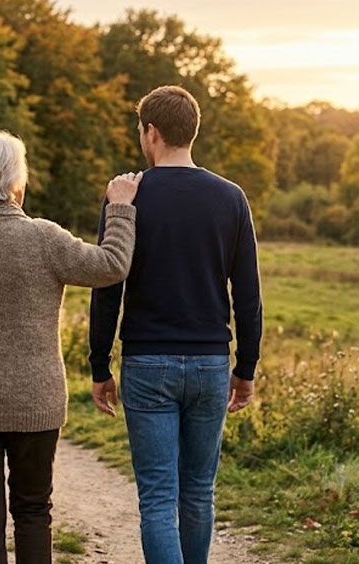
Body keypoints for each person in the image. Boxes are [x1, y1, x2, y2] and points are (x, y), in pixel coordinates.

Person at [0, 128, 143, 564]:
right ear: (15, 178)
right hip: (35, 400)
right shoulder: (44, 237)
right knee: (34, 510)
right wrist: (119, 209)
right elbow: (112, 265)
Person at [88, 85, 263, 564]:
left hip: (147, 363)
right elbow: (248, 294)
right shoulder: (231, 197)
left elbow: (108, 287)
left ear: (152, 132)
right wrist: (245, 368)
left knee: (158, 499)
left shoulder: (126, 197)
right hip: (210, 364)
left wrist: (99, 365)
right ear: (192, 131)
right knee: (199, 492)